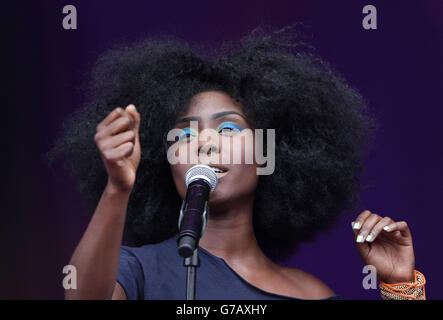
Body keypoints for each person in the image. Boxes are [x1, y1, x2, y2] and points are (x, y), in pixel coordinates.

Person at [47, 25, 423, 300]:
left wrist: (399, 284)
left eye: (228, 128)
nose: (205, 143)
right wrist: (118, 188)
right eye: (184, 134)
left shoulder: (311, 293)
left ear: (268, 154)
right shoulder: (136, 270)